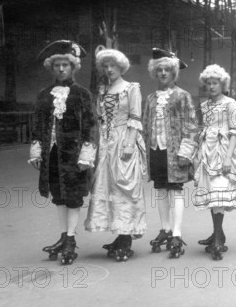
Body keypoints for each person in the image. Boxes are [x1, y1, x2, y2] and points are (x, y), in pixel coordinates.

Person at [29, 40, 96, 265]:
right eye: (56, 65)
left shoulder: (81, 94)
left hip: (74, 154)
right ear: (52, 68)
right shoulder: (44, 94)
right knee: (58, 195)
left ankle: (71, 238)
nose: (60, 69)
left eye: (65, 65)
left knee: (73, 196)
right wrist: (37, 149)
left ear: (73, 67)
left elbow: (90, 125)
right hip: (52, 154)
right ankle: (62, 236)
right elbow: (38, 123)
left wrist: (87, 153)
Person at [84, 48, 147, 262]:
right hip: (105, 143)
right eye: (105, 66)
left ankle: (126, 238)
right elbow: (99, 118)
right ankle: (118, 234)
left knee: (125, 186)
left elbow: (135, 118)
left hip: (124, 141)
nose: (108, 69)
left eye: (113, 66)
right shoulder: (103, 90)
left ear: (121, 67)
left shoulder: (131, 89)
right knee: (107, 186)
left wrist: (129, 145)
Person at [143, 48, 197, 259]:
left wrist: (186, 152)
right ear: (154, 73)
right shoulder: (149, 98)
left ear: (174, 73)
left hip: (175, 152)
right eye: (159, 70)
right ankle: (164, 229)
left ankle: (176, 232)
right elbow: (146, 126)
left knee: (175, 190)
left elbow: (191, 125)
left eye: (167, 70)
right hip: (156, 150)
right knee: (161, 190)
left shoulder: (183, 96)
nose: (163, 73)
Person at [193, 64, 236, 260]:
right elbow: (201, 130)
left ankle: (218, 239)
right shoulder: (204, 105)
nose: (212, 87)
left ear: (223, 84)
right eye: (208, 84)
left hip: (224, 152)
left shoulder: (231, 103)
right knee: (212, 194)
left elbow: (234, 132)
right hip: (208, 152)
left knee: (220, 194)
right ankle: (218, 233)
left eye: (215, 83)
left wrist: (228, 157)